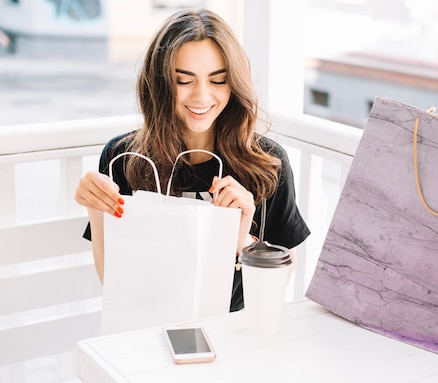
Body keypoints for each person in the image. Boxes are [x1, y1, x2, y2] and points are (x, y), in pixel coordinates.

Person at [74, 8, 310, 312]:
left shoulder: (267, 163)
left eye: (218, 80)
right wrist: (97, 208)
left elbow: (279, 284)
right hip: (148, 324)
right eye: (184, 81)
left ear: (234, 82)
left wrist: (241, 240)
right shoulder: (123, 158)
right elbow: (113, 280)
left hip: (234, 331)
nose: (202, 96)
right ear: (159, 84)